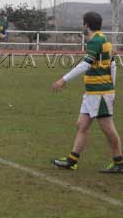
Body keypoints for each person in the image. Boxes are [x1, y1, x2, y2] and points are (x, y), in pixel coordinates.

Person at [51, 11, 123, 173]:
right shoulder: (104, 40)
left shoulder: (95, 42)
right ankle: (72, 161)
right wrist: (113, 89)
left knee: (108, 128)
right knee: (82, 125)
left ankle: (119, 162)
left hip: (99, 94)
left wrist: (63, 80)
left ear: (86, 25)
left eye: (83, 23)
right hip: (94, 93)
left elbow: (85, 65)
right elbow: (112, 65)